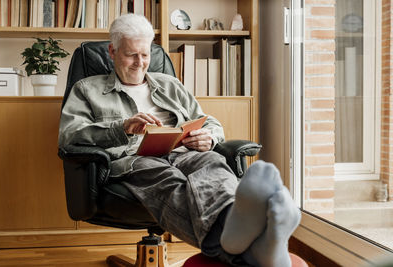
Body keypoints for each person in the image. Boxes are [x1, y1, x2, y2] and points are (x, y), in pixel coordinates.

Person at [58, 14, 301, 267]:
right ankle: (243, 247)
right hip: (133, 160)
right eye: (131, 54)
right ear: (112, 51)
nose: (139, 63)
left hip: (183, 152)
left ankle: (239, 228)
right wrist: (122, 128)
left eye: (145, 54)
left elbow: (209, 121)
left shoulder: (171, 85)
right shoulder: (87, 89)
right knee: (167, 179)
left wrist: (209, 137)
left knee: (212, 163)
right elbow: (69, 136)